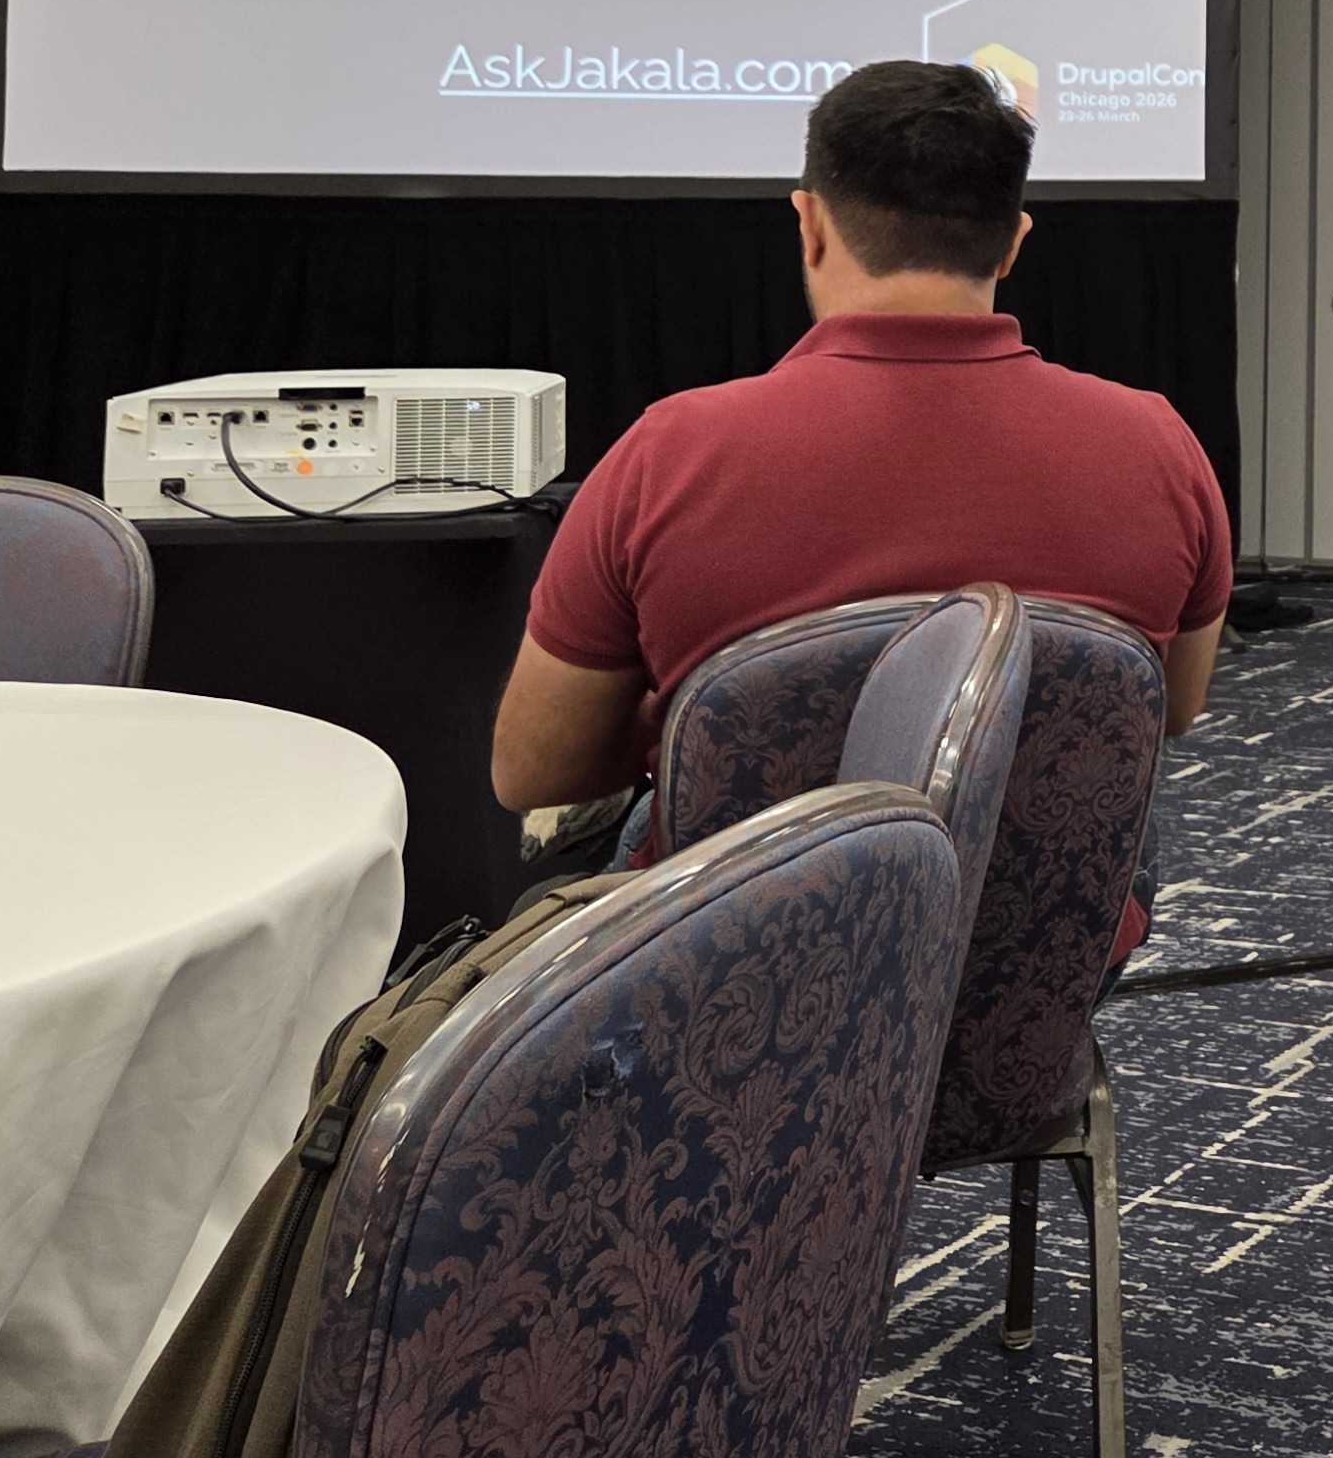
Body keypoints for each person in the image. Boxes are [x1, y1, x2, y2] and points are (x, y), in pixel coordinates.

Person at [488, 61, 1229, 951]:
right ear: (1014, 241)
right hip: (1024, 962)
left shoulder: (669, 453)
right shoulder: (1158, 446)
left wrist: (691, 713)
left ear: (807, 226)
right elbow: (1167, 708)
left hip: (735, 971)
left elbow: (534, 768)